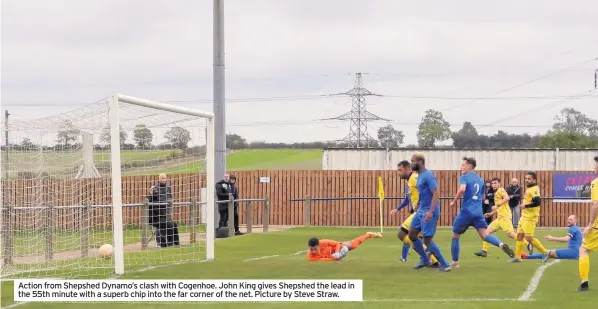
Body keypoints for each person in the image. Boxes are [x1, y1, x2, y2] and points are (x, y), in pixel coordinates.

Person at [449, 158, 514, 268]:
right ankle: (500, 244)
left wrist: (454, 201)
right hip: (478, 211)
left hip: (466, 211)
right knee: (484, 234)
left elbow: (462, 189)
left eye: (463, 165)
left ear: (469, 166)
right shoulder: (480, 179)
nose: (461, 167)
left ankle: (455, 262)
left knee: (455, 235)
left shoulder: (464, 177)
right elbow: (483, 197)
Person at [408, 152, 451, 272]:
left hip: (429, 211)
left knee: (427, 240)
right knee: (412, 234)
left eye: (413, 161)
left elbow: (436, 193)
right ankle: (425, 259)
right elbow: (423, 192)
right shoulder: (419, 175)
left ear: (420, 162)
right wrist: (418, 203)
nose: (411, 163)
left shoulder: (428, 175)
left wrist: (431, 212)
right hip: (421, 210)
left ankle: (445, 265)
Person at [390, 160, 439, 266]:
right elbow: (409, 199)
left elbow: (427, 188)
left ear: (407, 168)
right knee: (420, 239)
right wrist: (400, 208)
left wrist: (425, 207)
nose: (398, 172)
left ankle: (427, 257)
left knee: (403, 233)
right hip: (421, 211)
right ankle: (433, 261)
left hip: (422, 212)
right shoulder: (409, 182)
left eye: (400, 170)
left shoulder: (414, 178)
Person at [474, 177, 530, 257]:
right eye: (492, 183)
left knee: (511, 234)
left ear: (499, 183)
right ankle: (484, 251)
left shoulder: (500, 190)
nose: (493, 185)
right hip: (499, 218)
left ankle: (527, 243)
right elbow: (499, 207)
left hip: (505, 217)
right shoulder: (496, 193)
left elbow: (507, 198)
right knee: (486, 233)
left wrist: (497, 205)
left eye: (495, 183)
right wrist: (491, 213)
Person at [509, 171, 549, 263]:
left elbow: (538, 202)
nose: (527, 180)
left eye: (529, 179)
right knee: (519, 236)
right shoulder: (529, 188)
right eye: (526, 179)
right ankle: (518, 257)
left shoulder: (534, 189)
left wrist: (525, 206)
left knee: (529, 238)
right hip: (524, 216)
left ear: (534, 180)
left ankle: (545, 252)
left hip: (531, 217)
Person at [577, 155, 598, 292]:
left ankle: (584, 282)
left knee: (583, 249)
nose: (594, 168)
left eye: (595, 165)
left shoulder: (596, 183)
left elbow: (596, 205)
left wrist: (590, 224)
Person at [147, 173, 180, 247]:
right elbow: (148, 199)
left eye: (165, 178)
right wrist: (151, 193)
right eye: (162, 178)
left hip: (163, 216)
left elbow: (170, 199)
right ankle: (168, 243)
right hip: (155, 218)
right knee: (169, 224)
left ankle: (177, 243)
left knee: (173, 224)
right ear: (159, 179)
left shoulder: (168, 189)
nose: (164, 180)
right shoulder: (153, 193)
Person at [306, 232, 382, 261]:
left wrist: (337, 253)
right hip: (334, 255)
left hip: (337, 248)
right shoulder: (311, 257)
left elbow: (337, 244)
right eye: (311, 249)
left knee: (353, 245)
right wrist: (338, 257)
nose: (313, 251)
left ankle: (368, 235)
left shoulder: (323, 242)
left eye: (314, 249)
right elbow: (325, 260)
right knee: (351, 243)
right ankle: (369, 235)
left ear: (318, 245)